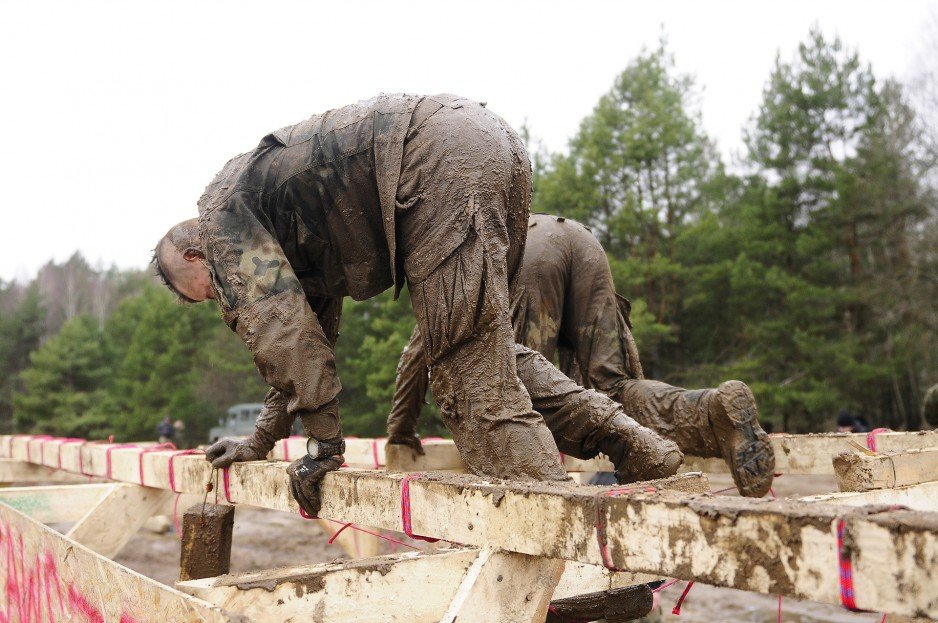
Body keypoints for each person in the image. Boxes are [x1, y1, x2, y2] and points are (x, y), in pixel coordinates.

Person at [153, 94, 682, 516]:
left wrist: (324, 448)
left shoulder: (224, 221)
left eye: (203, 292)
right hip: (484, 143)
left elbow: (282, 334)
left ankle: (557, 544)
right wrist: (264, 438)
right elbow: (299, 341)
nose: (219, 300)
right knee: (490, 355)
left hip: (438, 158)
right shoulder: (266, 220)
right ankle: (639, 447)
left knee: (466, 373)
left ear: (197, 256)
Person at [388, 214, 776, 497]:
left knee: (511, 397)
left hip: (529, 258)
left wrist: (400, 430)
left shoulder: (449, 261)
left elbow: (418, 353)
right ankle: (711, 411)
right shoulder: (495, 224)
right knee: (611, 386)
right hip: (583, 242)